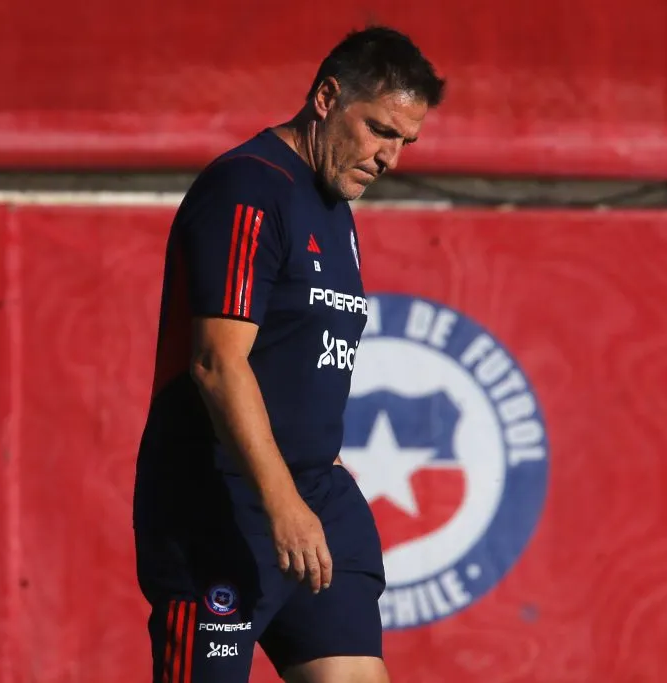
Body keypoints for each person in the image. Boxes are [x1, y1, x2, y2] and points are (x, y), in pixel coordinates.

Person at [132, 25, 445, 683]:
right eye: (381, 130)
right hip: (223, 508)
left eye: (406, 141)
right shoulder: (247, 188)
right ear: (328, 98)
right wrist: (282, 503)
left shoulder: (334, 206)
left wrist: (307, 494)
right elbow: (217, 363)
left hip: (314, 498)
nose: (392, 156)